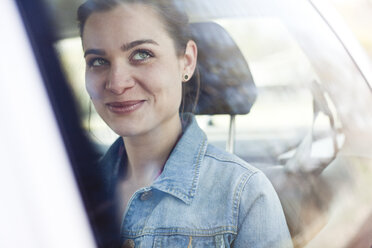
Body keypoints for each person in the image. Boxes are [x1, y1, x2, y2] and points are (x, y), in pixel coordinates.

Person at [77, 0, 293, 247]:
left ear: (187, 61)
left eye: (141, 54)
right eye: (98, 61)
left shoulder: (243, 194)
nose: (116, 83)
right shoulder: (69, 189)